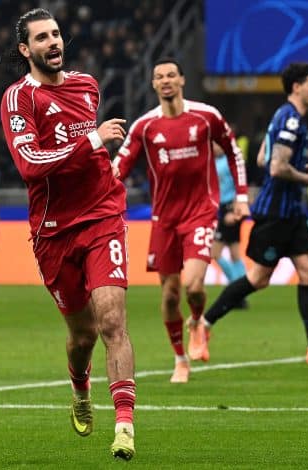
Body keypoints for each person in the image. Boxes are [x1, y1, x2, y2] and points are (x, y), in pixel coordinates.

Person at [0, 8, 137, 460]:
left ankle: (124, 424)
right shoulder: (19, 99)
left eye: (56, 34)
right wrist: (92, 141)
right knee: (83, 335)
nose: (53, 42)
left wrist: (95, 152)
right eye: (42, 38)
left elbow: (82, 157)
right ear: (26, 50)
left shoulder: (87, 86)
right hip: (53, 231)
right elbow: (29, 165)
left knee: (113, 320)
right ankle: (80, 386)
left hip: (102, 216)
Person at [200, 62, 308, 367]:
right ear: (297, 87)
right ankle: (203, 325)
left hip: (292, 212)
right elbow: (275, 167)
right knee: (257, 279)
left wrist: (300, 165)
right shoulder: (291, 120)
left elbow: (263, 156)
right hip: (276, 213)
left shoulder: (284, 118)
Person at [112, 58, 249, 384]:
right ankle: (180, 359)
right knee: (171, 294)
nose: (166, 80)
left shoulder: (205, 116)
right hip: (164, 219)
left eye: (171, 74)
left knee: (193, 284)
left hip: (201, 211)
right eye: (159, 76)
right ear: (154, 84)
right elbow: (119, 167)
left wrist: (241, 195)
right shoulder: (144, 126)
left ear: (182, 80)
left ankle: (198, 322)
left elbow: (233, 151)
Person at [210, 144, 249, 307]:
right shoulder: (216, 161)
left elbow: (239, 187)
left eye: (216, 144)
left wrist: (234, 211)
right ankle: (241, 292)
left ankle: (236, 288)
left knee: (215, 252)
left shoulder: (229, 162)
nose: (214, 148)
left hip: (229, 210)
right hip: (222, 210)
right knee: (234, 253)